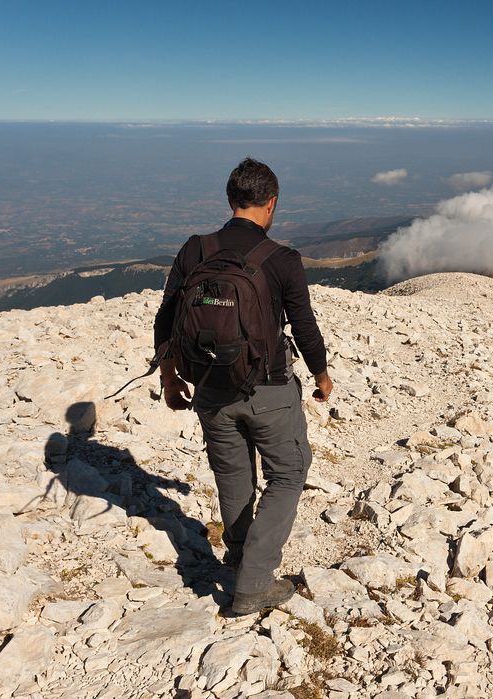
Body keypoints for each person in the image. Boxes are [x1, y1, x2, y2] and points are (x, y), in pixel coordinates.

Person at [153, 157, 333, 615]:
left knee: (233, 476)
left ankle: (237, 559)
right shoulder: (282, 259)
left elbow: (166, 318)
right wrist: (320, 376)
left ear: (230, 200)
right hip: (268, 388)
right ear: (271, 203)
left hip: (210, 389)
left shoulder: (195, 249)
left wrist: (171, 378)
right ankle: (252, 583)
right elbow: (304, 327)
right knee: (289, 472)